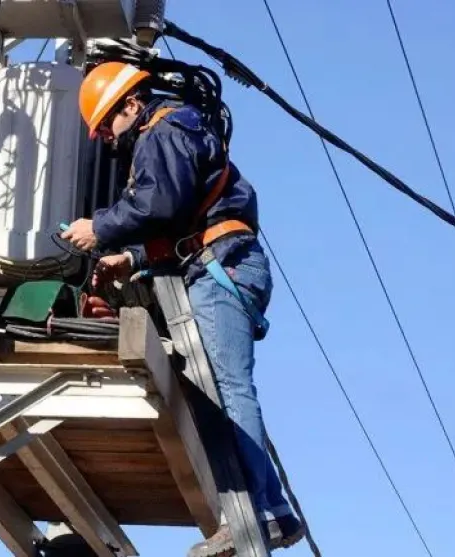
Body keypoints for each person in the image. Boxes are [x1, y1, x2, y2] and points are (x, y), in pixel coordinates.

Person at [60, 61, 305, 555]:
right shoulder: (171, 130)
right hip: (217, 261)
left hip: (223, 267)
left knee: (226, 391)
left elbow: (160, 206)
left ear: (130, 104)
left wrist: (100, 227)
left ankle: (257, 513)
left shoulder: (164, 129)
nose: (107, 138)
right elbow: (178, 228)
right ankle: (269, 510)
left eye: (107, 124)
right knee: (215, 395)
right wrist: (129, 259)